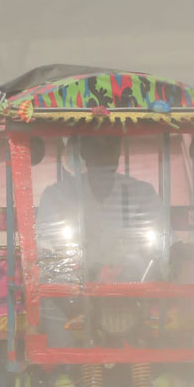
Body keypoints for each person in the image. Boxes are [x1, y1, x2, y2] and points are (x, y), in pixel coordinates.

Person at [36, 135, 167, 347]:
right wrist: (87, 273)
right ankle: (63, 369)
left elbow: (162, 242)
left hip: (134, 289)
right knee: (49, 301)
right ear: (84, 151)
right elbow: (46, 251)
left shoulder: (143, 194)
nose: (104, 151)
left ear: (119, 151)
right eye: (96, 143)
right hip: (75, 292)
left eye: (112, 143)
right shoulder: (57, 195)